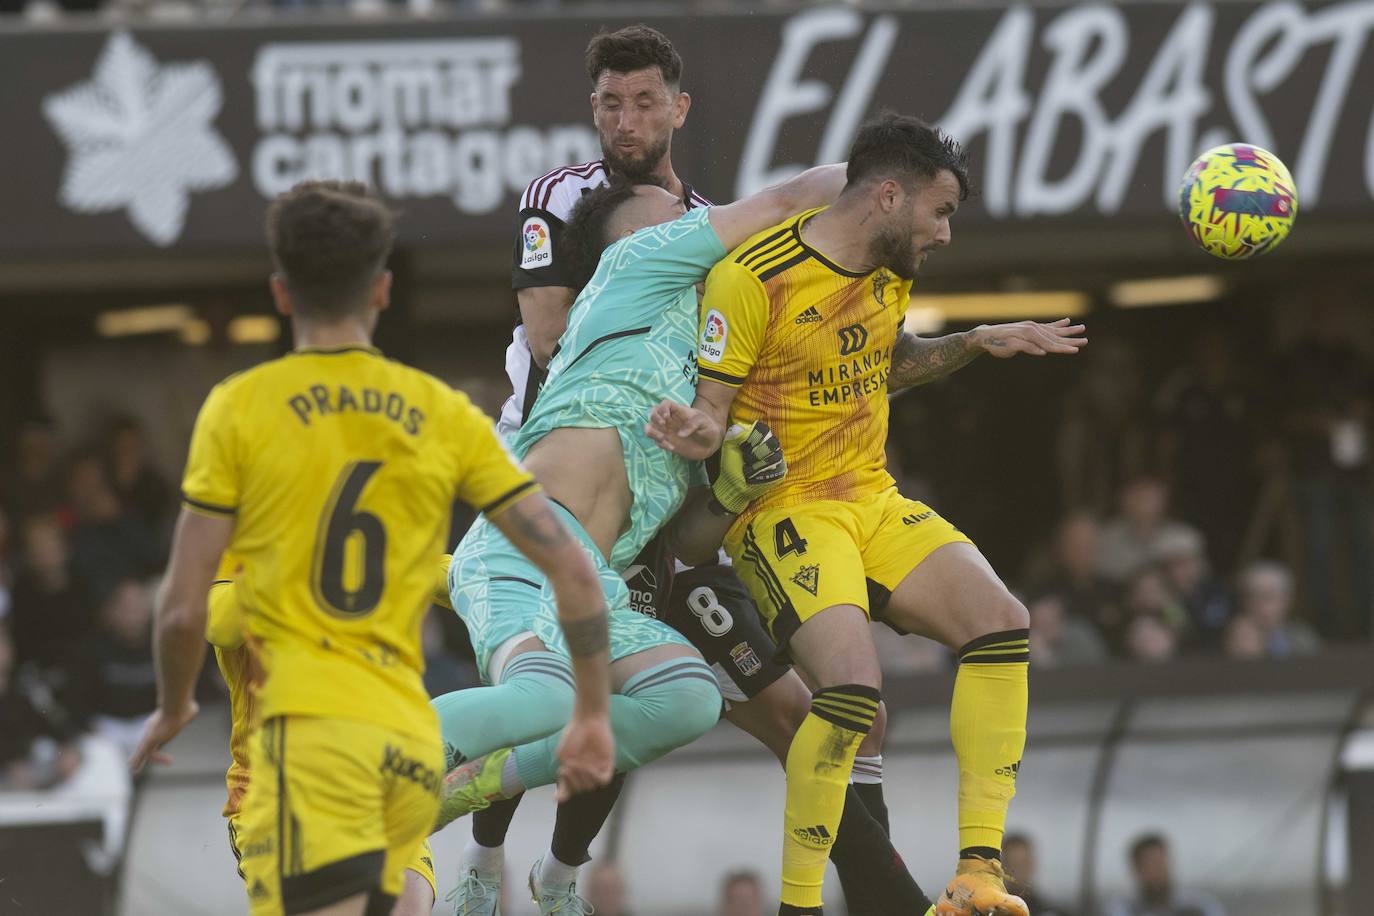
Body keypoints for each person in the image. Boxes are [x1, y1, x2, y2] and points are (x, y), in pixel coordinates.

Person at [454, 25, 923, 916]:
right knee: (542, 684)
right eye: (609, 102)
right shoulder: (600, 212)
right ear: (591, 108)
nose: (626, 120)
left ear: (680, 107)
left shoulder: (697, 222)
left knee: (722, 704)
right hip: (560, 476)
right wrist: (872, 193)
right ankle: (477, 865)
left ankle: (559, 878)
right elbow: (551, 336)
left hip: (661, 494)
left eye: (643, 101)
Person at [128, 180, 615, 916]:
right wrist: (590, 716)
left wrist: (169, 708)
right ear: (382, 290)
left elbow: (179, 612)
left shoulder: (238, 409)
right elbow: (573, 571)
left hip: (296, 761)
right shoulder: (441, 412)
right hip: (400, 749)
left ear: (281, 294)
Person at [647, 112, 1087, 916]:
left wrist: (977, 340)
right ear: (889, 195)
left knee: (1002, 620)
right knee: (852, 693)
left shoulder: (892, 266)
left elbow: (887, 366)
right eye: (941, 212)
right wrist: (695, 432)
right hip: (785, 511)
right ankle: (800, 907)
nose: (946, 234)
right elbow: (712, 410)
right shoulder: (754, 276)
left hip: (872, 498)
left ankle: (979, 870)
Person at [1096, 476, 1204, 586]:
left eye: (1149, 498)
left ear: (1163, 501)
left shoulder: (1184, 539)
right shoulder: (1107, 538)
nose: (1142, 504)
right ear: (1123, 500)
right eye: (1137, 496)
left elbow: (1199, 582)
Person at [1104, 833, 1227, 916]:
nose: (1158, 871)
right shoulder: (1123, 909)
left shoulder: (1199, 905)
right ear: (1136, 870)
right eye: (1150, 864)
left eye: (1161, 862)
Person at [1233, 561, 1321, 659]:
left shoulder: (1302, 637)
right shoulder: (1233, 637)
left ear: (1286, 600)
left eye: (1267, 598)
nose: (1257, 606)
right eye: (1250, 597)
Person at [1001, 834, 1074, 916]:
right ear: (1002, 867)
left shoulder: (1050, 910)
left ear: (1032, 865)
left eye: (1024, 863)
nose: (1019, 871)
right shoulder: (992, 908)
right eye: (1014, 864)